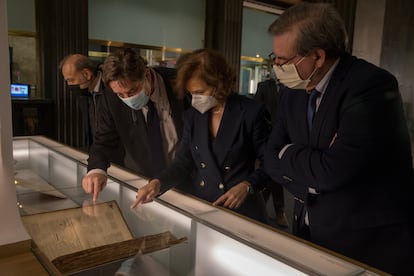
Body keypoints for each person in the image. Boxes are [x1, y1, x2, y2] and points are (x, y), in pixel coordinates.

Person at [264, 3, 414, 275]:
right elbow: (269, 157)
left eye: (282, 60)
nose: (276, 67)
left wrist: (289, 154)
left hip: (365, 242)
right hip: (308, 228)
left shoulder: (371, 86)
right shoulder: (292, 92)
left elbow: (333, 170)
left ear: (318, 57)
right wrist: (309, 166)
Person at [131, 48, 270, 224]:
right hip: (205, 205)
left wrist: (248, 186)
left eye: (200, 92)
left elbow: (271, 164)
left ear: (220, 83)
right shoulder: (193, 116)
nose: (195, 99)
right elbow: (183, 162)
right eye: (191, 93)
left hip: (242, 208)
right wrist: (158, 183)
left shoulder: (250, 112)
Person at [82, 48, 188, 202]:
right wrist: (96, 170)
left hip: (184, 184)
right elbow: (104, 139)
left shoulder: (180, 84)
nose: (127, 98)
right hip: (142, 182)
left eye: (132, 91)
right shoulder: (111, 97)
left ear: (146, 74)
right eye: (121, 94)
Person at [254, 72, 289, 228]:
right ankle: (279, 210)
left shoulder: (291, 86)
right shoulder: (264, 86)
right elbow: (256, 109)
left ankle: (263, 204)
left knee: (274, 172)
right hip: (267, 135)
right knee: (273, 172)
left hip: (285, 137)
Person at [59, 54, 109, 152]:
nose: (69, 85)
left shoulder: (112, 89)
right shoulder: (83, 93)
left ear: (86, 74)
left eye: (71, 80)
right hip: (97, 153)